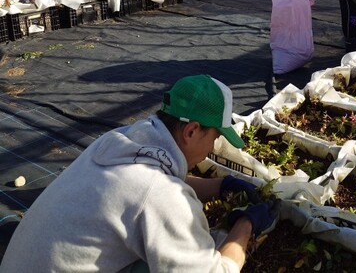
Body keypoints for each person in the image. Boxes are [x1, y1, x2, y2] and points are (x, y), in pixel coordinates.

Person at [0, 74, 279, 272]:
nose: (213, 148)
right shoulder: (161, 196)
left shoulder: (119, 141)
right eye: (215, 137)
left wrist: (221, 186)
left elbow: (145, 190)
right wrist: (246, 226)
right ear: (192, 130)